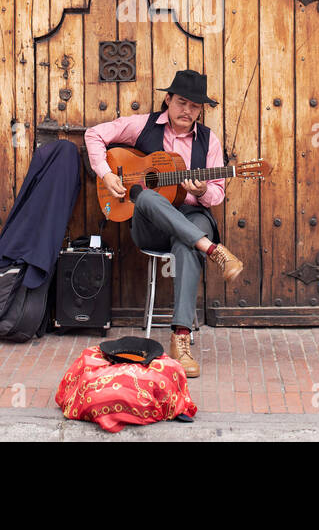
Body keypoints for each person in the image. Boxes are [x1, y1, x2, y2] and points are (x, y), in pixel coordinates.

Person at [82, 69, 243, 378]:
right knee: (144, 195)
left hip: (191, 217)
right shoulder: (142, 125)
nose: (187, 111)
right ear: (168, 99)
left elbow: (218, 193)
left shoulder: (209, 141)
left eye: (195, 106)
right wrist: (106, 173)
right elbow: (94, 134)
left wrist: (202, 191)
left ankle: (180, 340)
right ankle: (213, 250)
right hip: (149, 225)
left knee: (187, 242)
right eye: (182, 102)